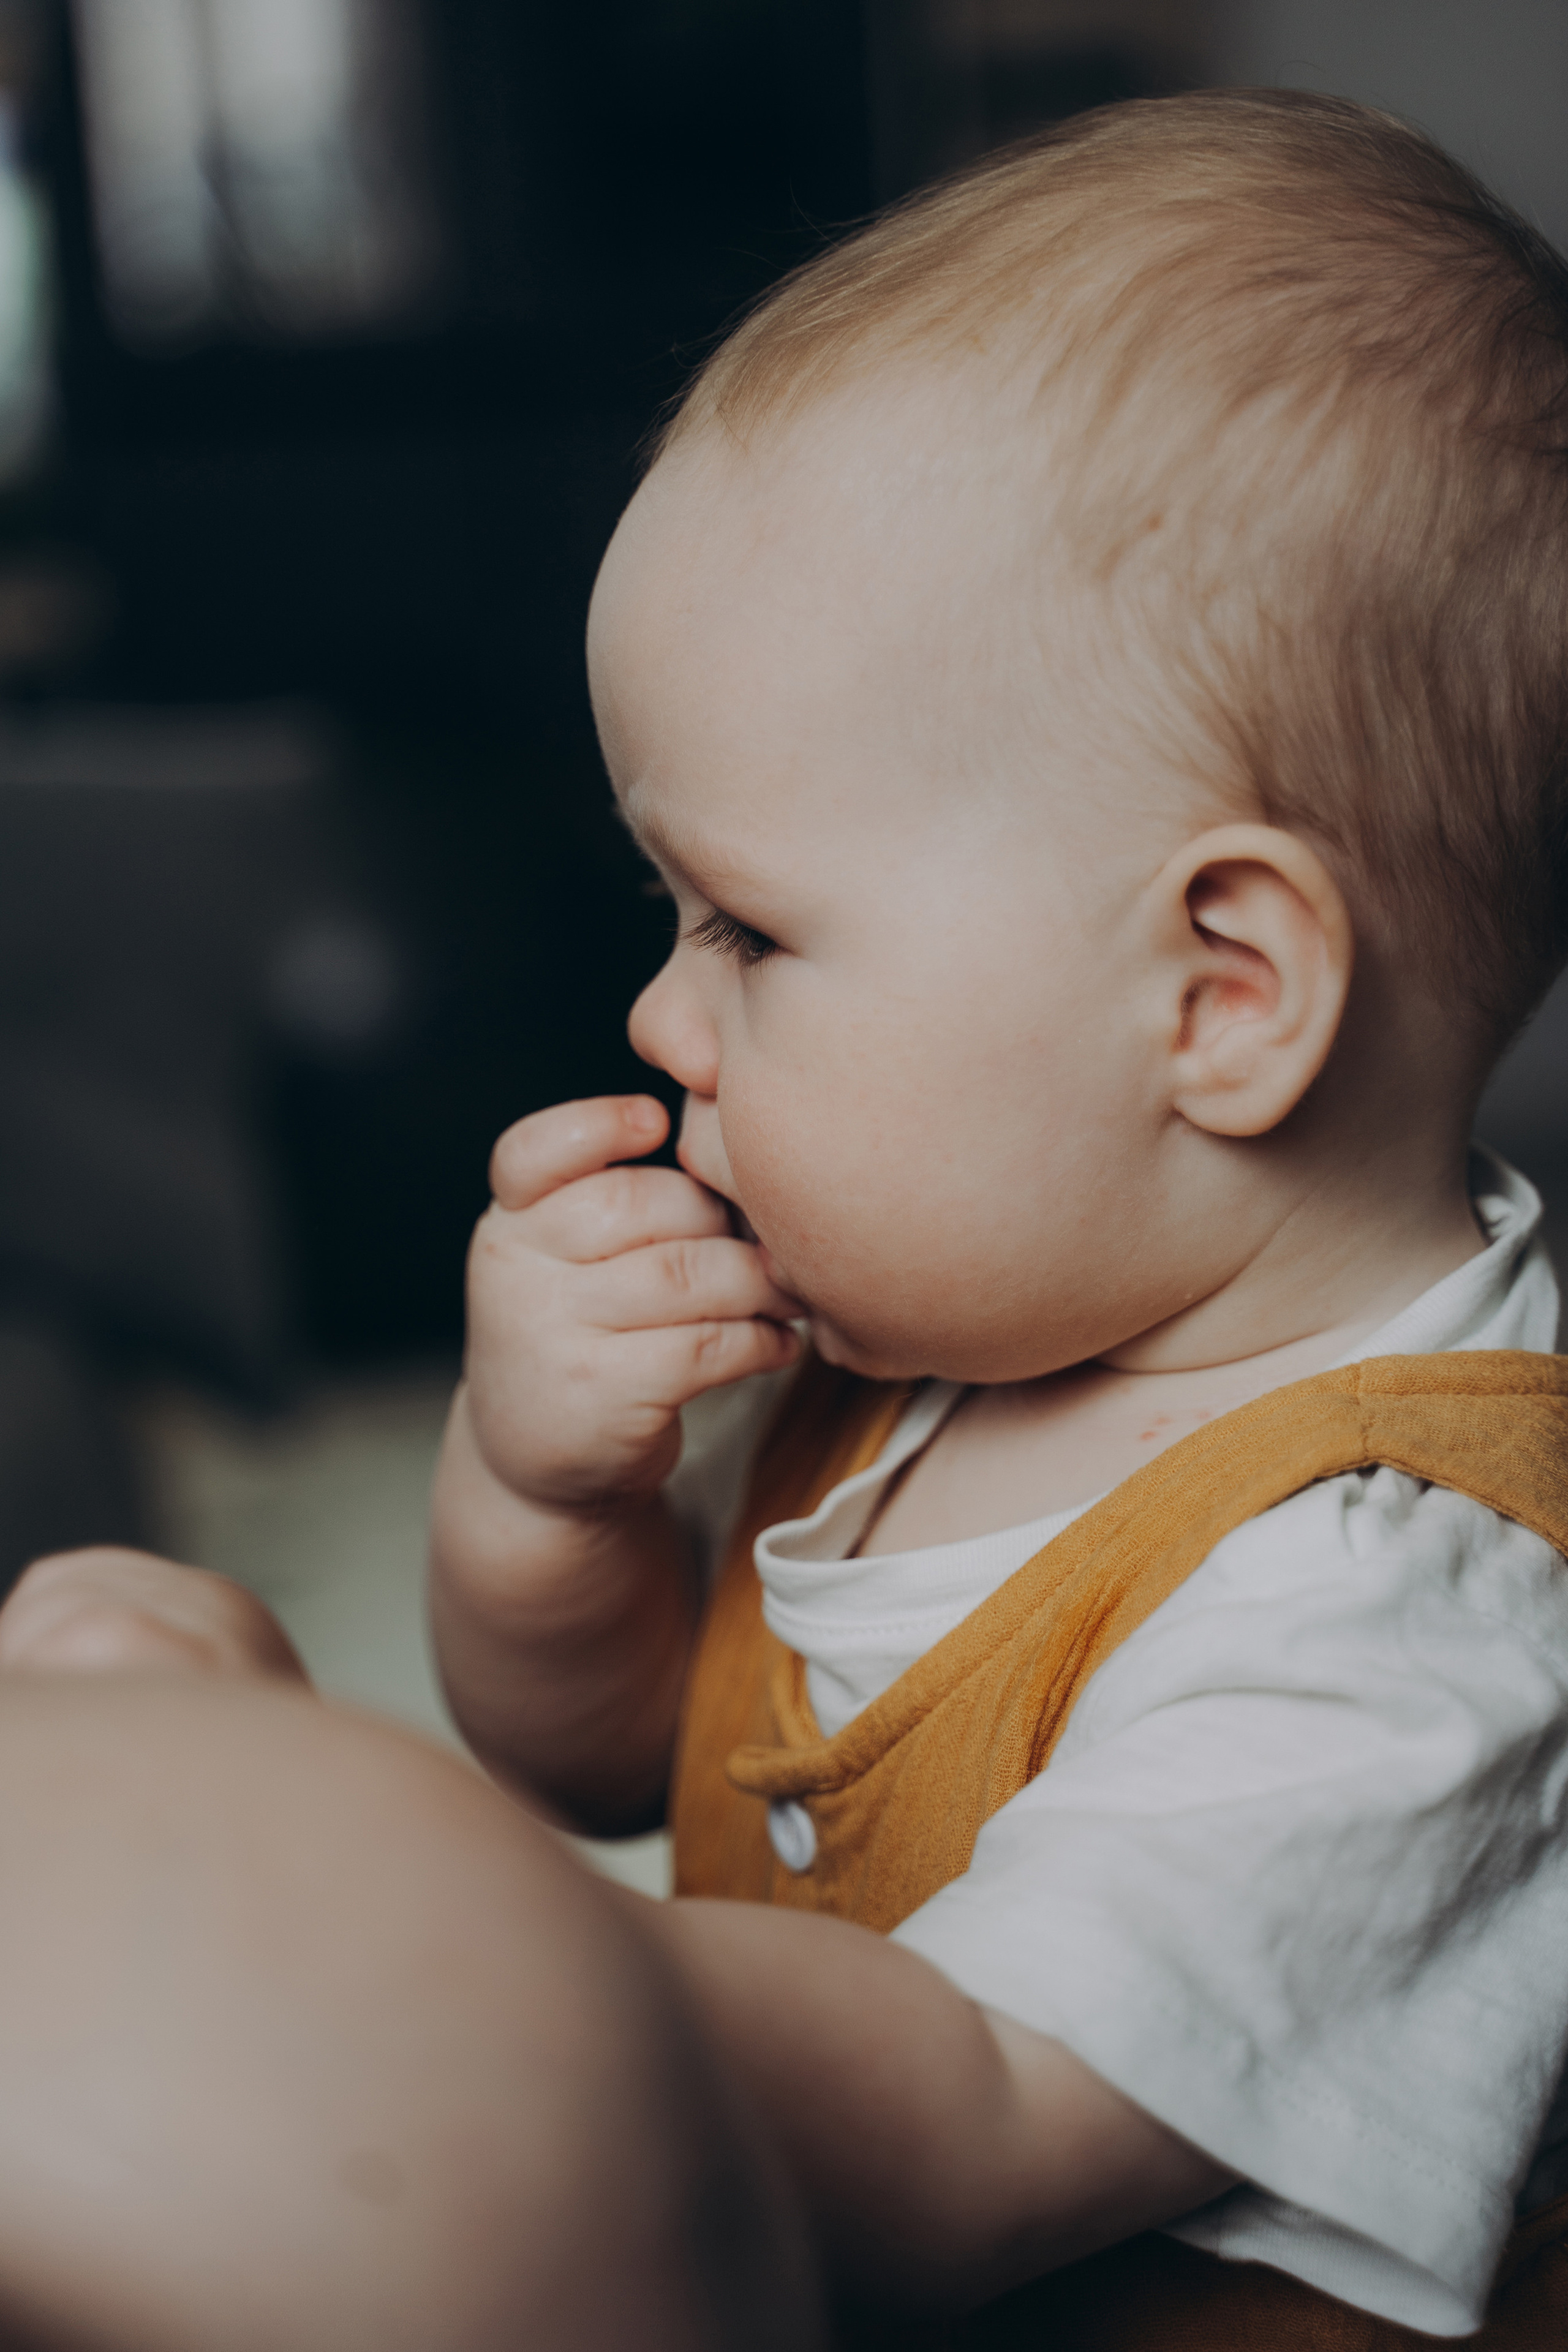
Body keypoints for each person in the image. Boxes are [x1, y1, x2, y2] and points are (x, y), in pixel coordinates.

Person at [6, 84, 1568, 2350]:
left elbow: (965, 2121)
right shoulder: (958, 1324)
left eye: (746, 929)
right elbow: (612, 1750)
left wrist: (360, 1925)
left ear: (1218, 996)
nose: (659, 1013)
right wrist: (553, 1492)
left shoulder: (1409, 1609)